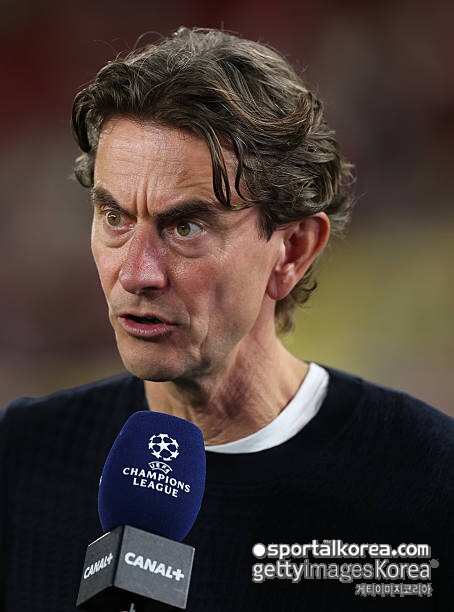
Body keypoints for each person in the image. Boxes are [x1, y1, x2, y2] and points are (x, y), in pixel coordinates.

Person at [0, 26, 452, 612]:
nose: (136, 273)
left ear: (291, 251)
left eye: (185, 227)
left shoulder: (429, 481)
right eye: (115, 217)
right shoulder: (18, 458)